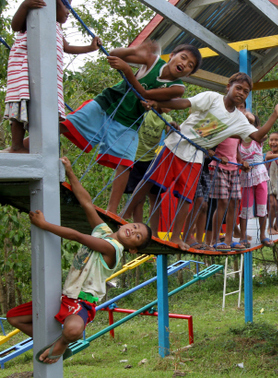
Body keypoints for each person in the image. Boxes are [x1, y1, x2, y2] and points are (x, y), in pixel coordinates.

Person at [6, 157, 151, 364]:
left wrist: (44, 225)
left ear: (133, 248)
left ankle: (64, 343)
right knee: (14, 317)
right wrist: (70, 172)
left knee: (74, 330)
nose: (133, 230)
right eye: (135, 227)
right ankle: (53, 341)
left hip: (82, 301)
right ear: (127, 224)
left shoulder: (113, 249)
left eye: (137, 236)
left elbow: (77, 236)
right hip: (64, 296)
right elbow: (87, 203)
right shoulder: (104, 232)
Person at [126, 72, 278, 250]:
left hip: (196, 156)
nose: (241, 93)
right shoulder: (212, 98)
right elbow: (185, 103)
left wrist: (274, 115)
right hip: (176, 145)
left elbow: (257, 136)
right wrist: (159, 104)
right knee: (147, 183)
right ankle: (123, 215)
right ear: (228, 87)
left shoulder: (238, 119)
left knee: (186, 198)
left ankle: (176, 237)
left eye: (246, 91)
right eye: (238, 88)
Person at [60, 41, 201, 214]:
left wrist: (127, 70)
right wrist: (135, 50)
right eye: (183, 58)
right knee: (66, 126)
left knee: (126, 162)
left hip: (129, 121)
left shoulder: (177, 88)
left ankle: (111, 211)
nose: (184, 64)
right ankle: (28, 146)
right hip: (108, 103)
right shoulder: (153, 61)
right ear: (172, 55)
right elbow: (115, 53)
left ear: (189, 73)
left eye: (190, 65)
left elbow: (145, 93)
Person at [2, 0, 100, 154]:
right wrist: (25, 6)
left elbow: (66, 47)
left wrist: (90, 47)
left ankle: (38, 146)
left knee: (45, 108)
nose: (69, 11)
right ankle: (16, 146)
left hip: (46, 76)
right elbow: (15, 26)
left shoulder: (55, 26)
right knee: (22, 103)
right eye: (66, 5)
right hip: (24, 69)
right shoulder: (36, 13)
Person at [123, 109, 177, 231]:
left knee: (155, 197)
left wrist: (171, 127)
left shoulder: (166, 118)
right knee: (139, 199)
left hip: (151, 160)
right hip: (135, 157)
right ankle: (138, 228)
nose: (169, 106)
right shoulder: (146, 113)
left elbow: (168, 130)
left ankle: (154, 232)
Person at [237, 112, 274, 248]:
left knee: (262, 206)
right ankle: (243, 236)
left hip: (260, 174)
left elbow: (264, 134)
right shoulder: (238, 140)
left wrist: (252, 123)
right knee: (246, 207)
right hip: (246, 176)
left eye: (250, 122)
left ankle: (263, 235)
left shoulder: (258, 138)